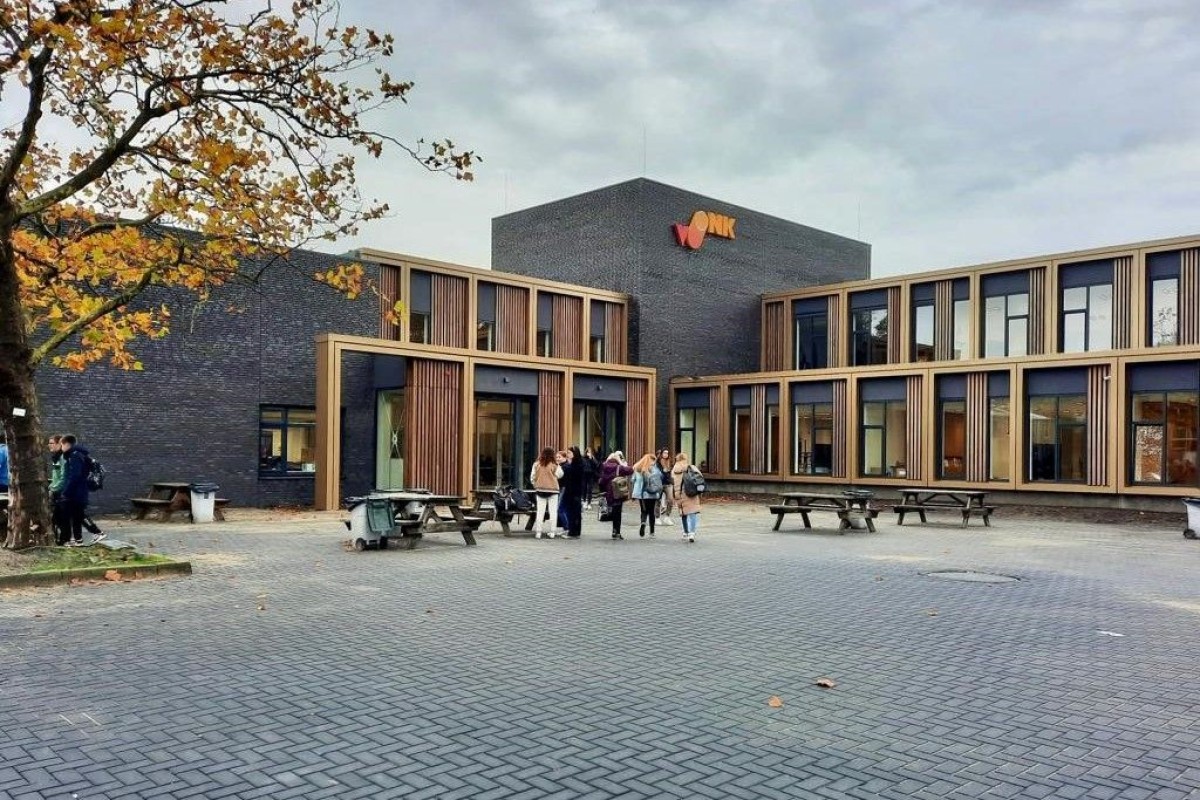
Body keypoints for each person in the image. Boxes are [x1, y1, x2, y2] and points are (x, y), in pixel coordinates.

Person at [58, 434, 91, 547]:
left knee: (67, 517)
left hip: (74, 493)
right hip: (80, 492)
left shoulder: (74, 455)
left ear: (66, 444)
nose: (61, 448)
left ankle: (68, 540)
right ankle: (78, 540)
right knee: (77, 517)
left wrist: (66, 492)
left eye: (61, 445)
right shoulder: (81, 454)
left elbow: (74, 476)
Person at [598, 450, 634, 540]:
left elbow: (601, 481)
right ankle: (616, 532)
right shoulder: (619, 467)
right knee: (617, 512)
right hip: (618, 493)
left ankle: (614, 530)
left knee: (612, 510)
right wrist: (621, 462)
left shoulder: (604, 466)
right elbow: (631, 470)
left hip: (608, 493)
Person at [529, 447, 564, 539]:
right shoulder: (554, 464)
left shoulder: (536, 464)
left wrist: (535, 484)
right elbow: (560, 474)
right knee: (553, 512)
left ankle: (538, 532)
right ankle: (552, 532)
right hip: (553, 490)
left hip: (540, 490)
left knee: (540, 512)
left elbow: (532, 477)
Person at [630, 453, 663, 538]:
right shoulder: (654, 469)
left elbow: (632, 480)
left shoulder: (637, 468)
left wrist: (634, 493)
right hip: (652, 493)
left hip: (641, 494)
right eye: (654, 460)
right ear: (651, 460)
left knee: (644, 511)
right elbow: (661, 477)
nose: (654, 462)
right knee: (651, 512)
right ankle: (652, 532)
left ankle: (643, 523)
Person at [672, 452, 701, 543]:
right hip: (691, 492)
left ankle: (685, 532)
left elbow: (672, 482)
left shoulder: (674, 470)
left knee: (683, 513)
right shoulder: (691, 467)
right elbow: (700, 477)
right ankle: (692, 533)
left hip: (679, 494)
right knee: (692, 512)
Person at [561, 446, 586, 538]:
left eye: (569, 453)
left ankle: (573, 532)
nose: (568, 455)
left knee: (573, 512)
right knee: (574, 512)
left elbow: (572, 476)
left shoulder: (576, 464)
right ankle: (575, 532)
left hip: (574, 491)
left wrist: (568, 465)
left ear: (574, 454)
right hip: (573, 490)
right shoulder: (577, 463)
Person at [655, 447, 675, 526]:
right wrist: (662, 471)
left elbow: (671, 471)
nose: (666, 454)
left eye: (667, 453)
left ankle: (667, 517)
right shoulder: (658, 462)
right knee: (657, 501)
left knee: (670, 500)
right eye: (664, 453)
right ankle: (657, 518)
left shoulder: (670, 462)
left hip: (668, 483)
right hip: (659, 483)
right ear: (661, 453)